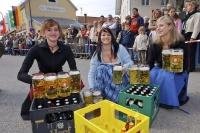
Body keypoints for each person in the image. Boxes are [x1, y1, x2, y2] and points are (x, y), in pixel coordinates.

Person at [17, 19, 77, 120]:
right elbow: (21, 74)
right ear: (44, 33)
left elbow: (74, 71)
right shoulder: (35, 49)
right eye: (49, 30)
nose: (53, 33)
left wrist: (68, 80)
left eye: (55, 29)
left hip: (61, 83)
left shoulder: (66, 48)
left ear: (59, 32)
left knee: (70, 113)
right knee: (36, 115)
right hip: (42, 85)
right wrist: (38, 81)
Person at [147, 15, 189, 108]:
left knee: (165, 75)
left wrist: (174, 69)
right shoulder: (155, 44)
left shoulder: (180, 43)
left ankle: (167, 101)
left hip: (178, 72)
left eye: (161, 26)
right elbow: (149, 63)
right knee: (153, 73)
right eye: (157, 26)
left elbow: (185, 65)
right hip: (161, 68)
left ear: (170, 27)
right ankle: (154, 98)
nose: (158, 28)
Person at [88, 27, 133, 102]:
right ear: (100, 38)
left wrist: (124, 68)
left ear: (112, 37)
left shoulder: (120, 48)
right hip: (106, 84)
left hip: (120, 80)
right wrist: (92, 89)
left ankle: (117, 98)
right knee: (101, 69)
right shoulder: (97, 54)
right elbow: (91, 73)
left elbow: (130, 63)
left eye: (108, 35)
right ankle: (102, 97)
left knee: (106, 69)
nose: (106, 37)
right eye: (103, 35)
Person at [182, 0, 200, 72]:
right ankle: (187, 66)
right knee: (186, 51)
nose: (186, 7)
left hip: (191, 34)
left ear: (193, 6)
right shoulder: (188, 15)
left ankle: (191, 67)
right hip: (185, 34)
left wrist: (193, 37)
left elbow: (197, 26)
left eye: (188, 5)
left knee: (191, 52)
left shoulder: (197, 14)